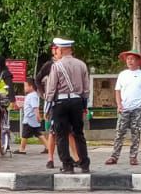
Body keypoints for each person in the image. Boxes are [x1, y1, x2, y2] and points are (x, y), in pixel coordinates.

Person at [42, 36, 91, 174]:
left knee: (61, 135)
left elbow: (51, 89)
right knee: (78, 133)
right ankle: (84, 164)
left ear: (61, 50)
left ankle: (67, 165)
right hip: (77, 102)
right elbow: (86, 89)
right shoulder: (81, 65)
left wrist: (46, 108)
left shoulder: (56, 66)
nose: (56, 51)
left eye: (56, 48)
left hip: (61, 103)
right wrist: (84, 105)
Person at [106, 49, 141, 165]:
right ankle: (114, 156)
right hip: (124, 108)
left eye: (132, 59)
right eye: (128, 59)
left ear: (138, 61)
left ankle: (133, 156)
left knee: (136, 133)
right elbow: (117, 90)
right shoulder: (123, 74)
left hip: (137, 108)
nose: (130, 61)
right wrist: (119, 104)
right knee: (119, 133)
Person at [19, 78, 46, 152]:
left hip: (29, 119)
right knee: (39, 134)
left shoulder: (32, 96)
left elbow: (35, 107)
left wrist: (38, 116)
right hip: (32, 119)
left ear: (31, 87)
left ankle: (22, 149)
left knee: (24, 135)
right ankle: (48, 147)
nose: (24, 88)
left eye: (25, 86)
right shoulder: (32, 95)